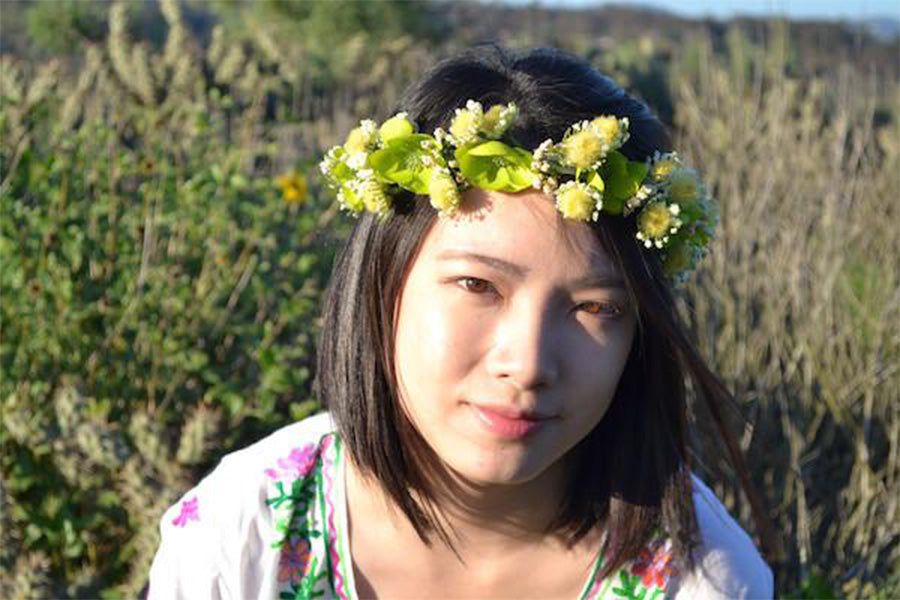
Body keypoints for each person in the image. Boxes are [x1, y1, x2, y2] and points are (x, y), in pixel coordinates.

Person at [148, 45, 775, 599]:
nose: (528, 363)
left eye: (595, 308)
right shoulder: (240, 538)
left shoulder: (703, 580)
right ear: (383, 283)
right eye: (478, 285)